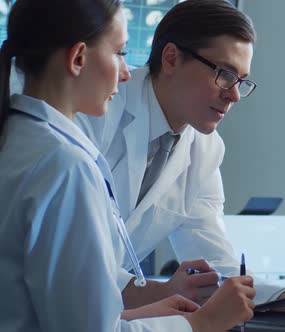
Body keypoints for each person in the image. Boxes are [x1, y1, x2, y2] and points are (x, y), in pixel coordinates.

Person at [75, 0, 285, 318]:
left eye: (241, 80)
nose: (234, 94)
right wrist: (164, 292)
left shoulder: (205, 149)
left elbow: (217, 271)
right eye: (225, 74)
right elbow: (69, 253)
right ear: (171, 59)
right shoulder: (95, 109)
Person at [0, 0, 255, 331]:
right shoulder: (66, 165)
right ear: (78, 58)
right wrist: (201, 324)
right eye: (120, 53)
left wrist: (139, 311)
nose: (126, 73)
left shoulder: (19, 139)